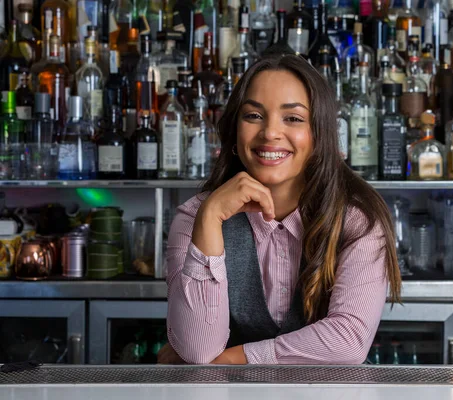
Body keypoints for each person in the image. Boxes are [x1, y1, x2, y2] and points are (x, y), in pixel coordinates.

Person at [158, 55, 401, 365]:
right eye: (253, 115)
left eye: (293, 118)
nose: (270, 132)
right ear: (235, 132)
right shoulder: (195, 216)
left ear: (319, 134)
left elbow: (348, 341)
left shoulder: (357, 221)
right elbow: (197, 350)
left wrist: (235, 359)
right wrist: (210, 217)